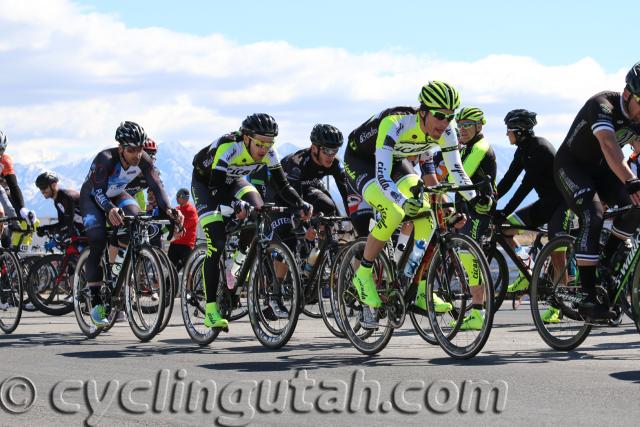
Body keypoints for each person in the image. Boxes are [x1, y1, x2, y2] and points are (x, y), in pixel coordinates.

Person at [344, 81, 477, 327]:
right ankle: (363, 273)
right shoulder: (396, 123)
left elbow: (457, 171)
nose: (445, 123)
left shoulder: (446, 131)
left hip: (396, 161)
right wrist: (402, 202)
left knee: (428, 214)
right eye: (439, 115)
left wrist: (475, 198)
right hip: (361, 162)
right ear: (423, 112)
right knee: (393, 211)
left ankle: (416, 285)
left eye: (450, 117)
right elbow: (382, 177)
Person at [191, 113, 311, 329]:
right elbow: (217, 188)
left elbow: (283, 186)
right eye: (260, 143)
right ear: (246, 138)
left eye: (269, 143)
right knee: (216, 243)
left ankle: (236, 263)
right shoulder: (229, 146)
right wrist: (235, 204)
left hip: (233, 180)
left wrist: (300, 203)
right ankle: (210, 311)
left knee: (259, 210)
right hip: (206, 185)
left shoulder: (269, 152)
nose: (264, 149)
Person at [554, 61, 640, 321]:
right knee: (594, 214)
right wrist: (631, 180)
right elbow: (609, 146)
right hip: (572, 167)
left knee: (636, 206)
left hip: (602, 171)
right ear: (627, 94)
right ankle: (587, 297)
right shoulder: (602, 105)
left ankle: (608, 260)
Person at [80, 121, 183, 327]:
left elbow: (157, 186)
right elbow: (99, 191)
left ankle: (118, 272)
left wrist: (170, 210)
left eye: (140, 149)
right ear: (120, 148)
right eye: (131, 150)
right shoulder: (105, 159)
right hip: (93, 198)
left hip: (117, 194)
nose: (137, 154)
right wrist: (109, 209)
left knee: (137, 219)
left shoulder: (143, 159)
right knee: (98, 240)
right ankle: (96, 300)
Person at [449, 106, 496, 329]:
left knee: (470, 257)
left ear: (479, 126)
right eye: (459, 125)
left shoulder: (480, 146)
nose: (462, 129)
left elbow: (462, 173)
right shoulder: (467, 146)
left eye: (467, 125)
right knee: (464, 255)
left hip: (480, 210)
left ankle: (478, 312)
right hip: (468, 209)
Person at [0, 130, 37, 247]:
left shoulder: (5, 160)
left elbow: (13, 186)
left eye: (1, 150)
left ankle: (7, 238)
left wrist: (22, 209)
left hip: (2, 189)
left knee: (11, 209)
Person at [34, 171, 84, 237]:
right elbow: (62, 223)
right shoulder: (57, 201)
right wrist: (45, 228)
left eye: (44, 187)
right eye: (40, 188)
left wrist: (47, 229)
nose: (42, 191)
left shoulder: (66, 197)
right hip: (83, 231)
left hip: (92, 230)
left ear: (53, 185)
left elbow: (68, 224)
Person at [168, 188, 197, 272]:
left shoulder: (192, 211)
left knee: (188, 271)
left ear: (185, 198)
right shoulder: (176, 209)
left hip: (186, 245)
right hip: (175, 244)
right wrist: (161, 232)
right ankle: (170, 280)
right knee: (170, 269)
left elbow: (184, 226)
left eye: (178, 196)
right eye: (176, 196)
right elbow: (170, 224)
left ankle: (189, 281)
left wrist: (173, 230)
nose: (176, 198)